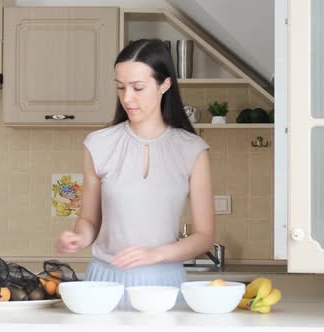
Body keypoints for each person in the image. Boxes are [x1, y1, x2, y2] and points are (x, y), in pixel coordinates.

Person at [58, 39, 214, 289]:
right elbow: (89, 220)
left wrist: (155, 255)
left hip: (165, 284)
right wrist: (78, 237)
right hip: (104, 284)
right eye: (120, 87)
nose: (127, 98)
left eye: (138, 87)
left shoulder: (192, 150)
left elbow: (204, 237)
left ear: (165, 85)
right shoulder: (98, 145)